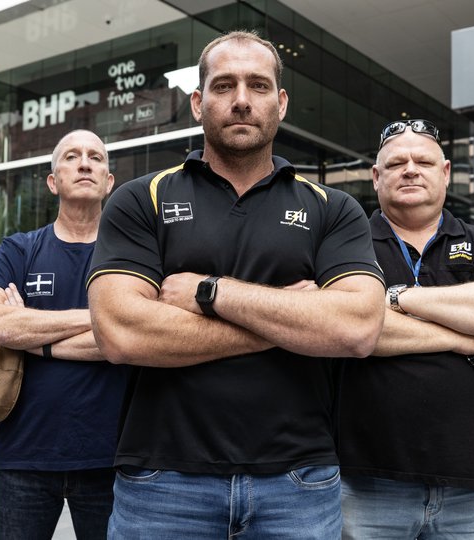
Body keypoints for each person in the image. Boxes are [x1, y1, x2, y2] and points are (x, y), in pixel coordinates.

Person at [86, 31, 386, 539]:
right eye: (224, 86)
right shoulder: (142, 200)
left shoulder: (333, 209)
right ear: (199, 103)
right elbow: (121, 331)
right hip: (162, 481)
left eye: (258, 85)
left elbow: (357, 328)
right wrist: (294, 322)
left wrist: (210, 293)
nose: (242, 100)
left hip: (299, 483)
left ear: (281, 102)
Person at [338, 119, 474, 539]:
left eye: (423, 160)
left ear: (445, 172)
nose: (410, 169)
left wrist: (397, 298)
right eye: (396, 163)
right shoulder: (344, 244)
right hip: (366, 484)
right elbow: (347, 326)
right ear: (376, 177)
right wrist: (465, 336)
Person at [0, 129, 129, 539]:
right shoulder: (19, 249)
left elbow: (133, 337)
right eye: (72, 157)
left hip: (111, 460)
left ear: (109, 181)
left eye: (96, 157)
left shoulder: (130, 255)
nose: (85, 163)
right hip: (22, 458)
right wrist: (101, 317)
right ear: (53, 181)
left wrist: (33, 334)